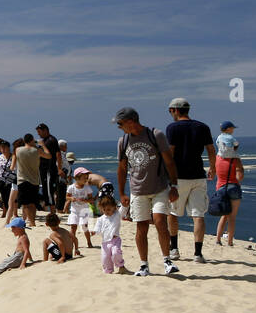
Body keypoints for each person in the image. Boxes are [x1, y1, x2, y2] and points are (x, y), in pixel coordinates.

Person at [113, 106, 180, 276]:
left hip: (159, 187)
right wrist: (121, 193)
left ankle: (167, 261)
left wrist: (174, 186)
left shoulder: (155, 135)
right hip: (137, 190)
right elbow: (121, 169)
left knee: (159, 222)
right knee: (141, 227)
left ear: (130, 121)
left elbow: (169, 162)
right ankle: (144, 265)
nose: (119, 127)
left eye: (120, 124)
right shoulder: (123, 141)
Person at [165, 98, 218, 263]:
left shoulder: (172, 128)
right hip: (198, 176)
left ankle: (174, 249)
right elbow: (211, 149)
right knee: (198, 215)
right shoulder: (202, 127)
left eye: (170, 111)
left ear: (175, 110)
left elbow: (170, 153)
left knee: (173, 213)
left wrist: (166, 175)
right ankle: (198, 254)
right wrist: (213, 168)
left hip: (178, 177)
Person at [214, 140, 244, 247]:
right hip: (234, 187)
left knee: (224, 215)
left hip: (221, 187)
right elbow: (239, 177)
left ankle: (218, 240)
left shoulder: (218, 157)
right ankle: (230, 242)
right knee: (232, 217)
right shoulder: (236, 159)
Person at [93, 195, 127, 274]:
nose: (106, 211)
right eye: (104, 209)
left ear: (114, 208)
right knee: (105, 259)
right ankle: (108, 271)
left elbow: (123, 210)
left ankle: (121, 266)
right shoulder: (100, 219)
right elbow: (97, 228)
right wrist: (94, 231)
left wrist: (125, 205)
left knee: (116, 253)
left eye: (108, 209)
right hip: (105, 243)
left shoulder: (117, 215)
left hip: (115, 240)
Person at [13, 134, 42, 226]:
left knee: (25, 203)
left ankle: (28, 221)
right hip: (34, 180)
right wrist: (41, 145)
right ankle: (32, 222)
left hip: (22, 180)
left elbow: (12, 166)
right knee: (33, 203)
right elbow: (49, 156)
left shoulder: (18, 150)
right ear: (32, 140)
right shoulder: (36, 150)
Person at [65, 168, 96, 249]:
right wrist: (71, 199)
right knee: (73, 227)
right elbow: (67, 196)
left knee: (84, 227)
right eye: (84, 177)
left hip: (84, 210)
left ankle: (89, 242)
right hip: (74, 211)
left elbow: (91, 199)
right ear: (77, 178)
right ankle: (72, 242)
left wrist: (86, 200)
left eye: (87, 177)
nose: (86, 179)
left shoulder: (87, 187)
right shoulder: (71, 187)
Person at [35, 124, 62, 212]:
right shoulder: (43, 141)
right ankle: (47, 209)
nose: (38, 134)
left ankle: (53, 210)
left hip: (49, 169)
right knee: (45, 190)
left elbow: (58, 154)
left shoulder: (52, 140)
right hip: (42, 168)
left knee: (49, 190)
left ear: (45, 130)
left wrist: (59, 168)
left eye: (39, 132)